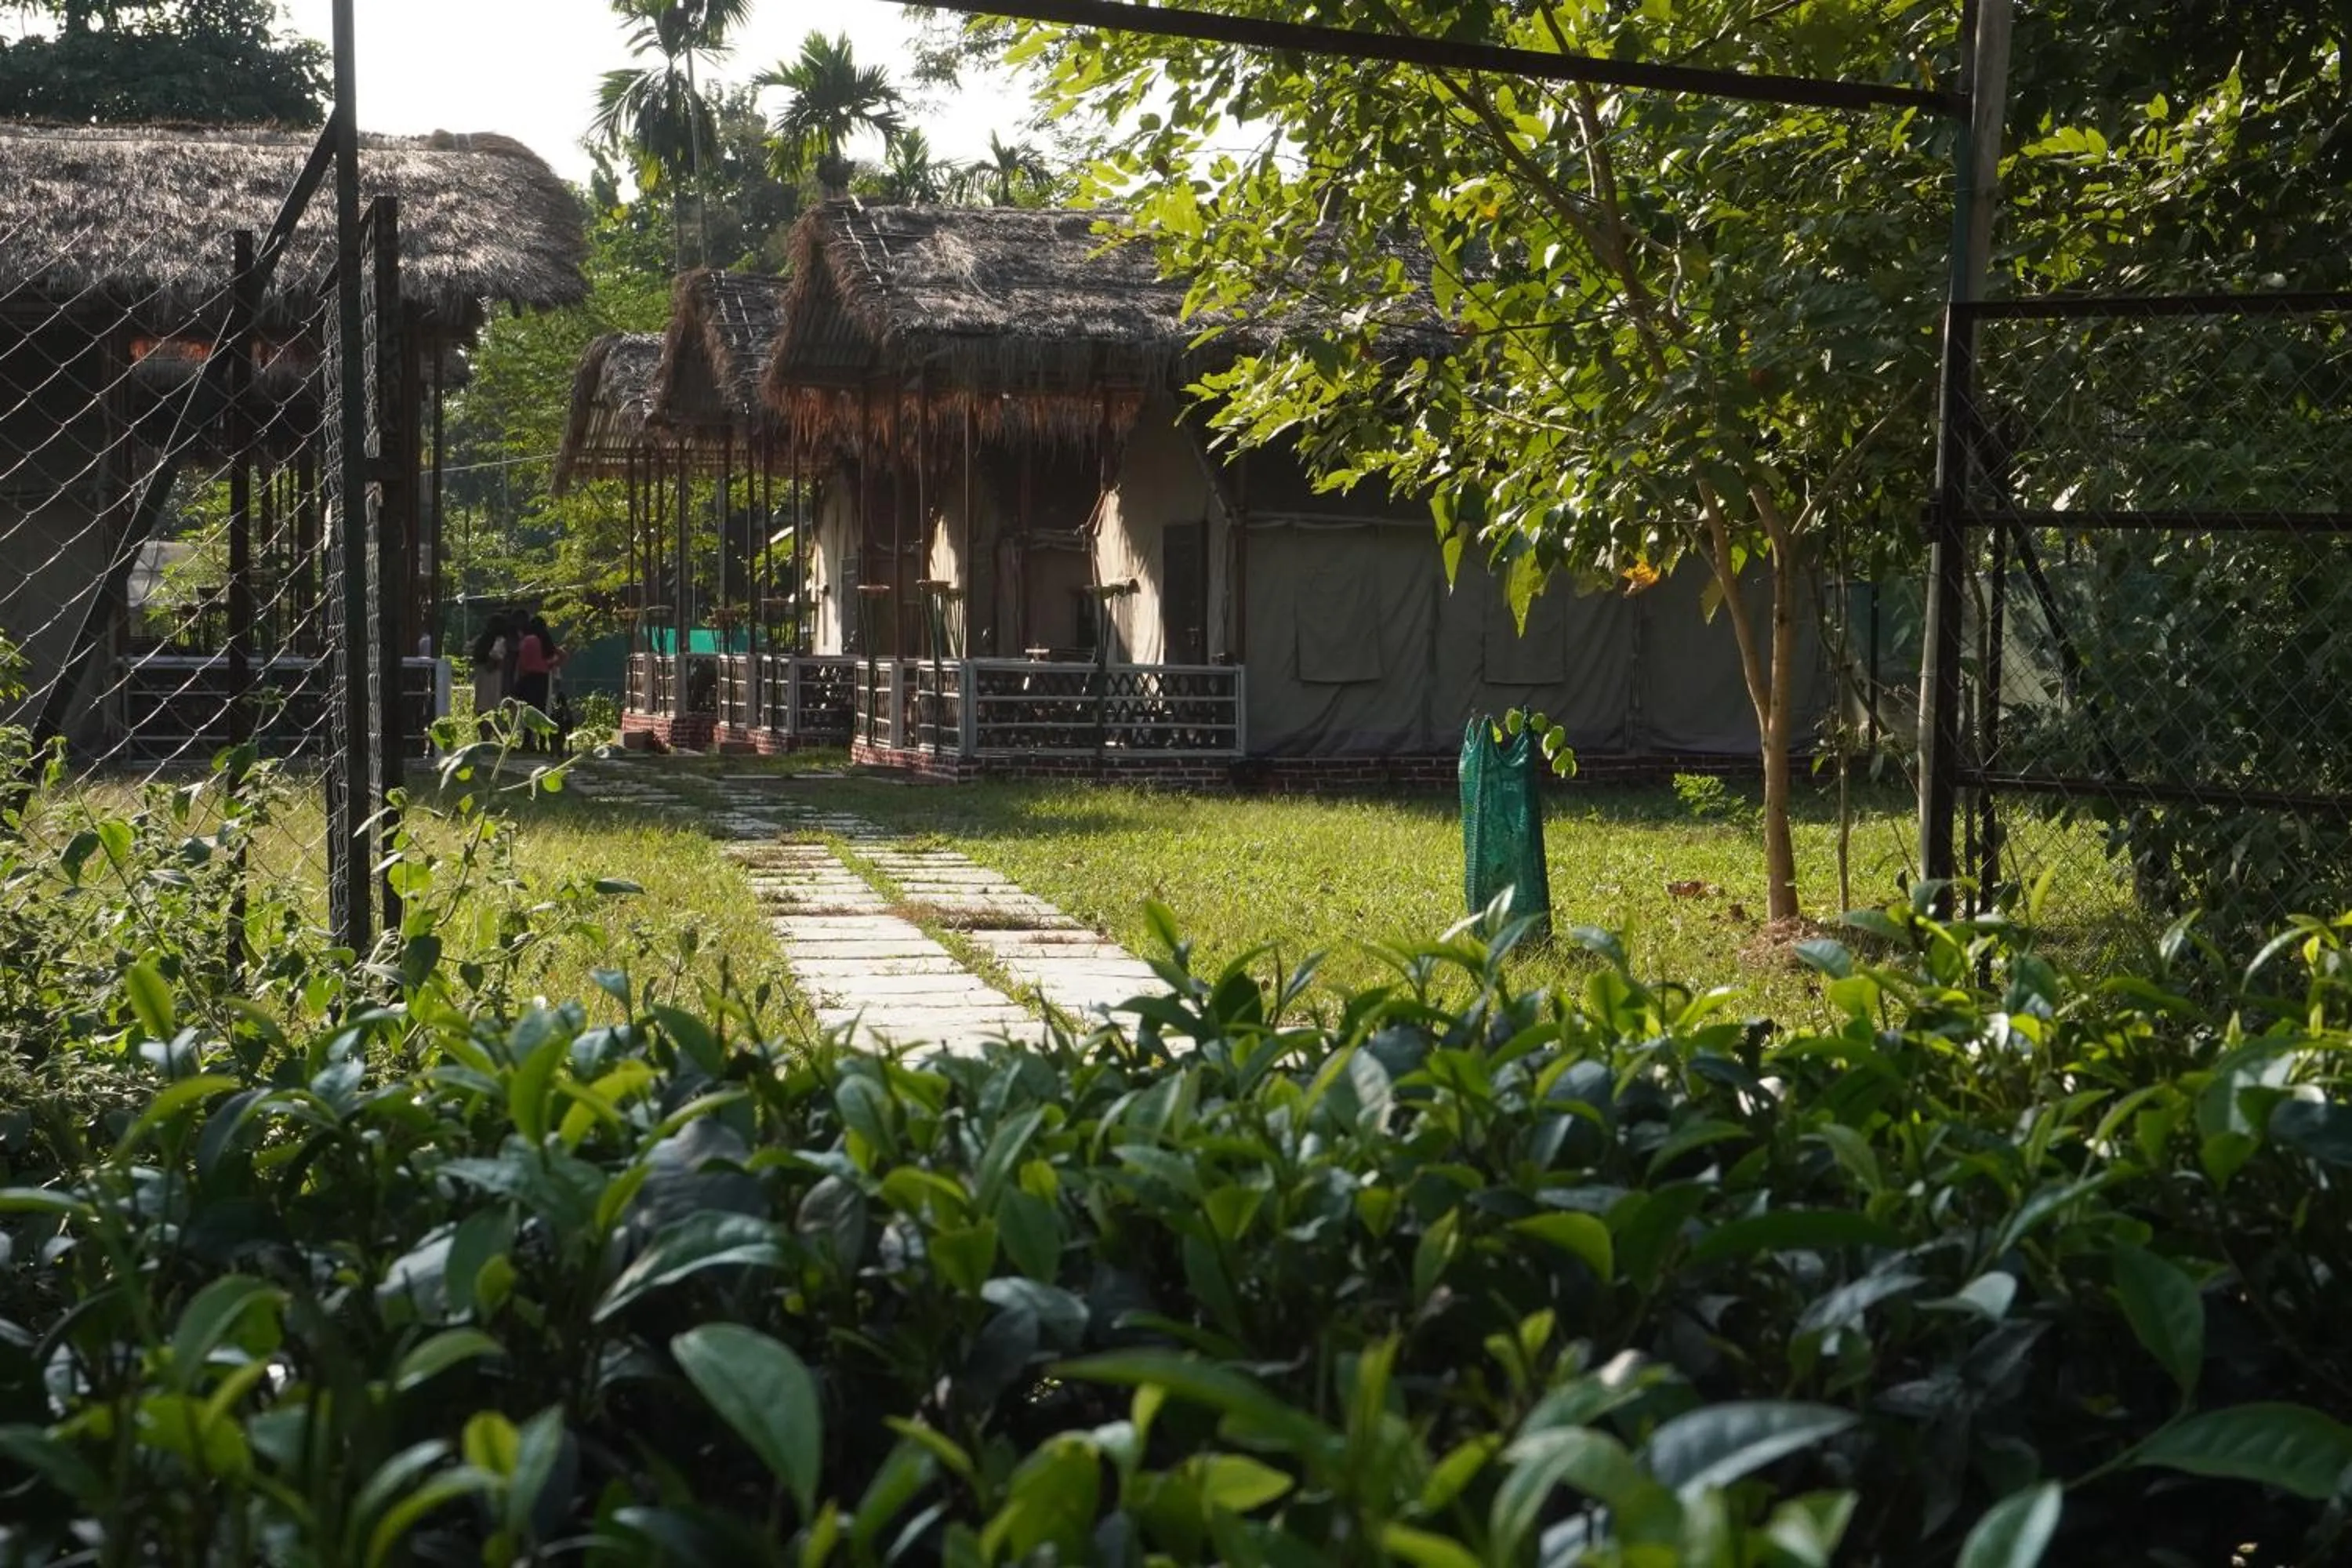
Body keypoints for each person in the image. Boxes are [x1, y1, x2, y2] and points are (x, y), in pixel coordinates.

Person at [513, 615, 566, 750]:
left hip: (529, 678)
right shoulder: (545, 640)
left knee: (528, 710)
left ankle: (527, 742)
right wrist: (549, 665)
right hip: (543, 679)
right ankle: (543, 743)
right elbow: (563, 655)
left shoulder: (528, 640)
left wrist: (520, 676)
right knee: (541, 711)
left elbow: (522, 662)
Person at [470, 615, 510, 741]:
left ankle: (484, 737)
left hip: (481, 673)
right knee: (492, 705)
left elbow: (470, 649)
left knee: (481, 705)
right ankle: (491, 737)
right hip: (493, 674)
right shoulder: (500, 640)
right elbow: (496, 655)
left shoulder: (482, 639)